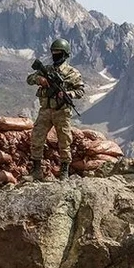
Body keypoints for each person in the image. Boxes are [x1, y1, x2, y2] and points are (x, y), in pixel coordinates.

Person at [26, 38, 85, 181]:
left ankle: (64, 172)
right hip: (45, 110)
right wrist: (39, 80)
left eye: (58, 53)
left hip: (62, 111)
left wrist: (68, 94)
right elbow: (29, 79)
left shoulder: (72, 73)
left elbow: (80, 91)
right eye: (53, 52)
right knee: (36, 137)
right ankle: (36, 171)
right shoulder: (47, 70)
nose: (55, 55)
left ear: (65, 54)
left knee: (64, 141)